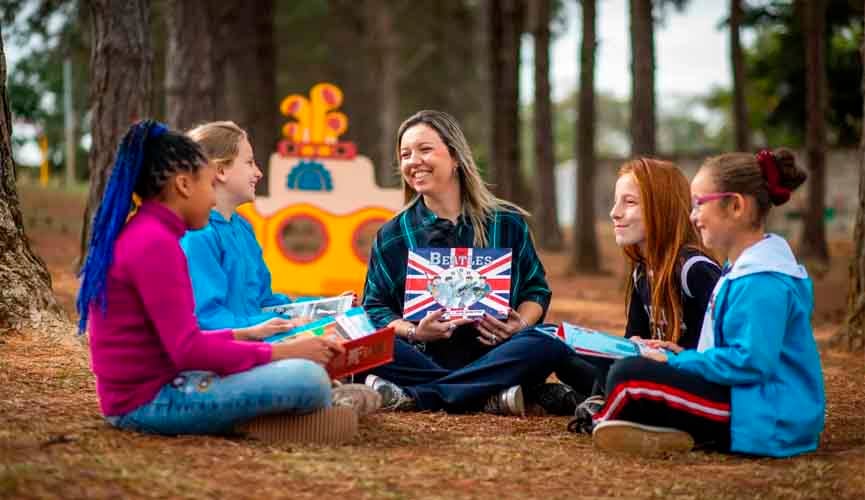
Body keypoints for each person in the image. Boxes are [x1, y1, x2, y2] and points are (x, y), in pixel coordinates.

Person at [77, 120, 377, 442]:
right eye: (207, 185)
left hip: (166, 381)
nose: (211, 199)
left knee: (306, 370)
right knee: (308, 378)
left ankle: (281, 413)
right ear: (183, 185)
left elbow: (182, 340)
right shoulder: (155, 244)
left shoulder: (154, 235)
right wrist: (285, 353)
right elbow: (188, 349)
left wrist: (247, 333)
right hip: (148, 402)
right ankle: (264, 421)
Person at [590, 149, 825, 457]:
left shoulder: (762, 281)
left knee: (628, 376)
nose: (693, 216)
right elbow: (731, 352)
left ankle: (607, 419)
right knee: (627, 368)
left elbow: (750, 362)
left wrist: (677, 362)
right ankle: (658, 429)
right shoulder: (740, 272)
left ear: (736, 206)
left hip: (767, 418)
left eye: (700, 204)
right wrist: (680, 354)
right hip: (747, 403)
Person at [361, 110, 575, 415]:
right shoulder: (392, 235)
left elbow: (535, 289)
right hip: (423, 355)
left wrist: (520, 326)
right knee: (367, 345)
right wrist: (414, 332)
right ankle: (490, 395)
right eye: (405, 154)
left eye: (425, 149)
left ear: (456, 157)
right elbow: (375, 307)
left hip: (498, 353)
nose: (413, 161)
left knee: (549, 341)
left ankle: (422, 396)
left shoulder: (506, 222)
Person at [564, 158, 721, 432]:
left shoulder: (694, 270)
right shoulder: (642, 271)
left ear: (662, 208)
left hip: (686, 378)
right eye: (616, 202)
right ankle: (582, 398)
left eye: (630, 202)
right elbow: (632, 338)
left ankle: (598, 405)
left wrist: (673, 356)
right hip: (651, 369)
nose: (614, 212)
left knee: (625, 372)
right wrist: (631, 344)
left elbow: (718, 352)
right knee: (563, 348)